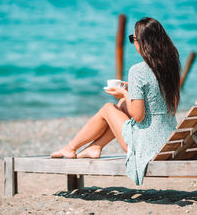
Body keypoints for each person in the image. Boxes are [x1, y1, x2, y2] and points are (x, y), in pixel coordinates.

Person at [51, 17, 180, 185]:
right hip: (167, 139)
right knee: (121, 107)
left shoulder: (138, 71)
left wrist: (125, 93)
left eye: (133, 39)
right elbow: (172, 105)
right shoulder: (170, 66)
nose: (133, 43)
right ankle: (96, 147)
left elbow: (139, 116)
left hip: (145, 146)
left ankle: (71, 147)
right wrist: (131, 91)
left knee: (108, 108)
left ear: (143, 42)